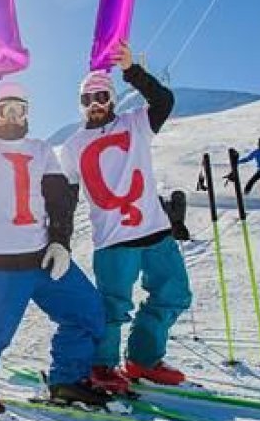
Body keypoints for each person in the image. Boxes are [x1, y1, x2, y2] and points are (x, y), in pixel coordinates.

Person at [0, 70, 112, 416]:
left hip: (43, 255)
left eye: (20, 110)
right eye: (5, 110)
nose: (13, 117)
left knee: (87, 311)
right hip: (0, 261)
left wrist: (60, 242)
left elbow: (60, 198)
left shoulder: (41, 148)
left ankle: (67, 380)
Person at [59, 44, 192, 393]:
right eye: (88, 100)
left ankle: (143, 360)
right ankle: (102, 366)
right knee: (113, 307)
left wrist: (132, 70)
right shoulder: (72, 146)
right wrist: (59, 238)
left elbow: (164, 101)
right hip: (113, 240)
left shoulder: (136, 124)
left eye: (101, 96)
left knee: (174, 294)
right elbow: (66, 197)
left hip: (155, 231)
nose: (95, 105)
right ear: (81, 105)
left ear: (112, 98)